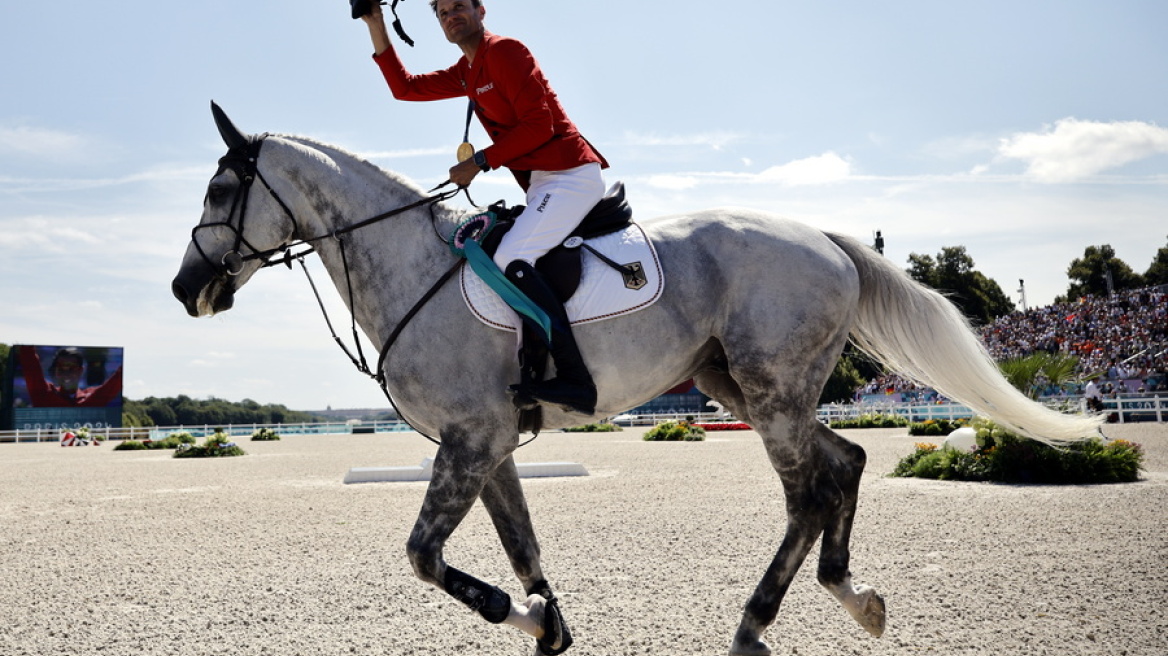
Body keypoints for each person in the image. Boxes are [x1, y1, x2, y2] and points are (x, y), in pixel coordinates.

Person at [358, 0, 608, 414]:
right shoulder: (466, 72)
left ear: (480, 10)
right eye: (442, 13)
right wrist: (375, 22)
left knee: (511, 256)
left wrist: (479, 162)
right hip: (544, 182)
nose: (451, 15)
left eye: (459, 6)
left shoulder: (506, 52)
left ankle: (576, 379)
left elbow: (539, 125)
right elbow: (404, 88)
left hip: (570, 173)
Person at [16, 346, 123, 408]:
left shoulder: (93, 397)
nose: (65, 373)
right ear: (55, 371)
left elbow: (118, 378)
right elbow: (29, 358)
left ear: (81, 371)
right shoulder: (44, 393)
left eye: (71, 369)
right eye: (61, 368)